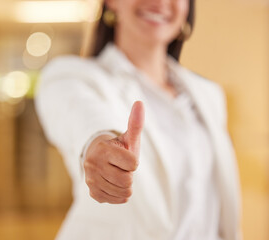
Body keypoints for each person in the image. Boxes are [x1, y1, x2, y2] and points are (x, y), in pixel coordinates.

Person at [34, 0, 242, 239]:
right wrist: (98, 142)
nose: (161, 2)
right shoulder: (73, 77)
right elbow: (79, 114)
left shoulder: (209, 94)